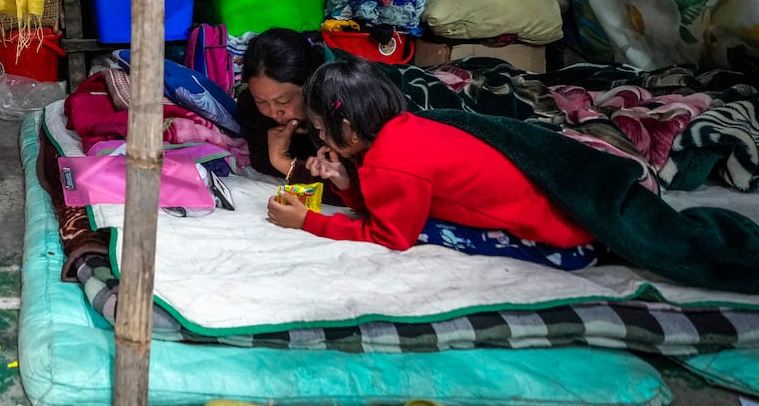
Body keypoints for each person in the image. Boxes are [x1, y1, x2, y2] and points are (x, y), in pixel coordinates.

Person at [265, 57, 595, 261]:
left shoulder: (387, 162)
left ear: (348, 128)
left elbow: (392, 236)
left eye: (322, 129)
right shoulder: (401, 130)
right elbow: (389, 200)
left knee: (426, 230)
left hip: (560, 244)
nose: (320, 138)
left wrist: (308, 222)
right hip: (571, 224)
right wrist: (347, 184)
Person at [235, 28, 326, 179]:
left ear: (310, 85)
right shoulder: (250, 105)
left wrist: (281, 160)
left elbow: (349, 186)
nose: (273, 112)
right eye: (261, 101)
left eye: (283, 101)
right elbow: (261, 160)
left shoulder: (336, 104)